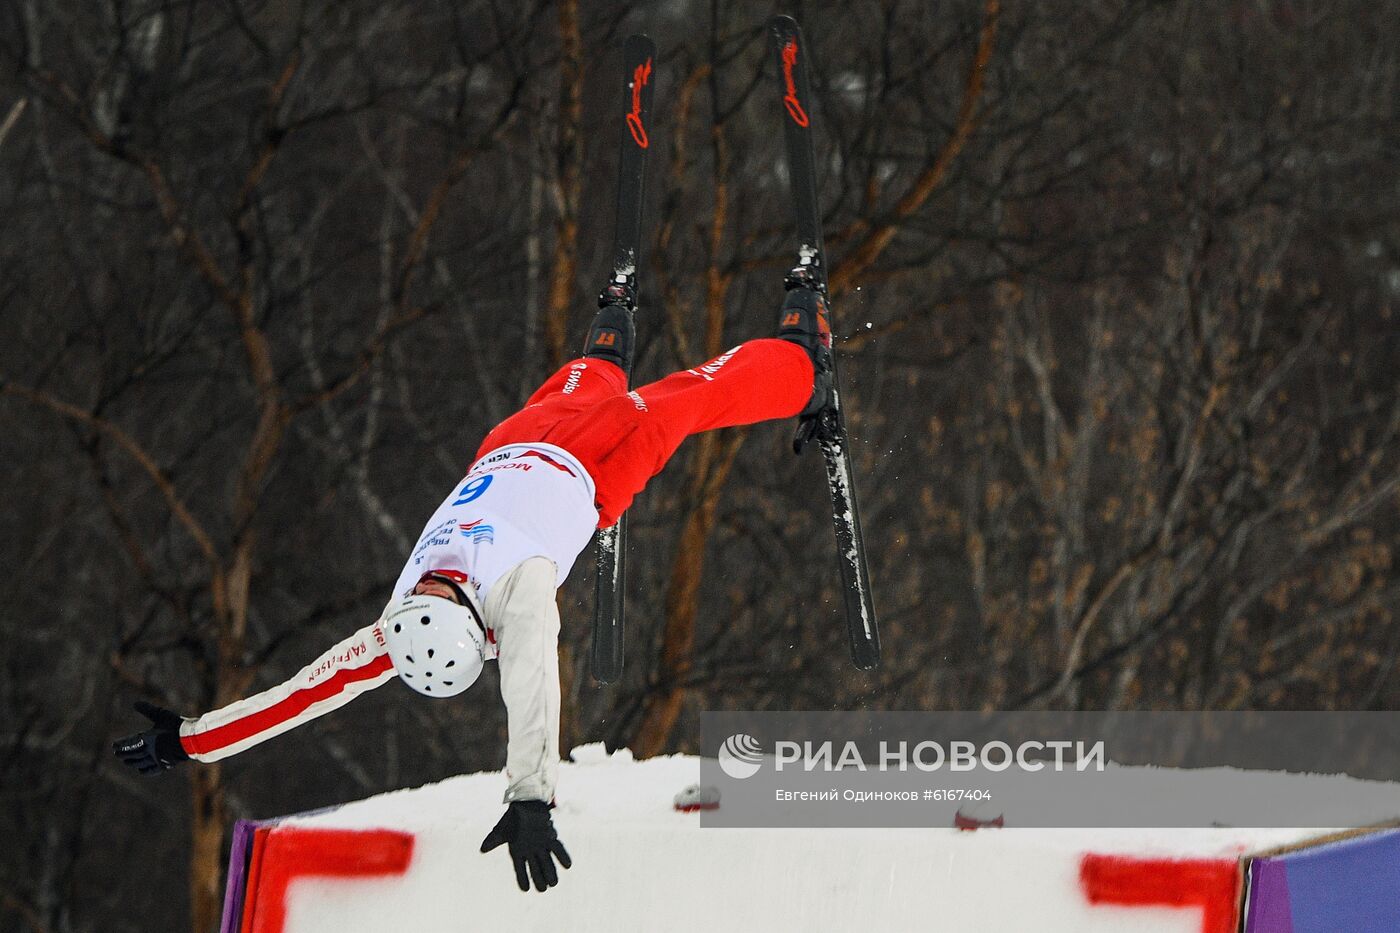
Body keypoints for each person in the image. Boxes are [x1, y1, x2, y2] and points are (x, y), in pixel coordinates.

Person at [113, 268, 834, 892]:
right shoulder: (515, 598)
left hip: (510, 444)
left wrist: (191, 739)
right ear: (470, 618)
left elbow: (301, 693)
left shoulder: (393, 634)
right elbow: (531, 688)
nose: (431, 583)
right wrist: (529, 796)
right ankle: (806, 367)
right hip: (596, 463)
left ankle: (608, 340)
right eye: (439, 591)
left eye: (423, 592)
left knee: (582, 378)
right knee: (689, 397)